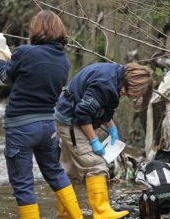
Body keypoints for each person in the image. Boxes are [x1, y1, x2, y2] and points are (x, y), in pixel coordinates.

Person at [0, 10, 83, 219]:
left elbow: (5, 77)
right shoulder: (64, 61)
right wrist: (12, 61)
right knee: (55, 172)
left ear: (37, 30)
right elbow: (34, 73)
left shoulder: (25, 52)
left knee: (23, 183)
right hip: (48, 128)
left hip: (21, 127)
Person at [54, 62, 153, 219]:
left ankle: (65, 214)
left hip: (66, 115)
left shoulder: (115, 75)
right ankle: (102, 212)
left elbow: (103, 106)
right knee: (96, 164)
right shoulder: (105, 84)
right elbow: (83, 113)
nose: (127, 96)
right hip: (71, 121)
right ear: (132, 84)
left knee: (70, 170)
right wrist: (94, 141)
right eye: (130, 93)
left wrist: (112, 127)